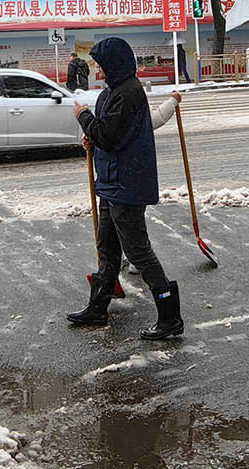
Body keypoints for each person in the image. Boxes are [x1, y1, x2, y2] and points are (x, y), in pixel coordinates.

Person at [66, 38, 183, 339]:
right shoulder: (112, 92)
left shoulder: (128, 93)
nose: (99, 72)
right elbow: (105, 134)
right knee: (107, 247)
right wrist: (91, 138)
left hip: (127, 183)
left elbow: (110, 136)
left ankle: (170, 316)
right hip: (110, 181)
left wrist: (84, 118)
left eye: (102, 66)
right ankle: (97, 307)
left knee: (137, 251)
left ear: (115, 64)